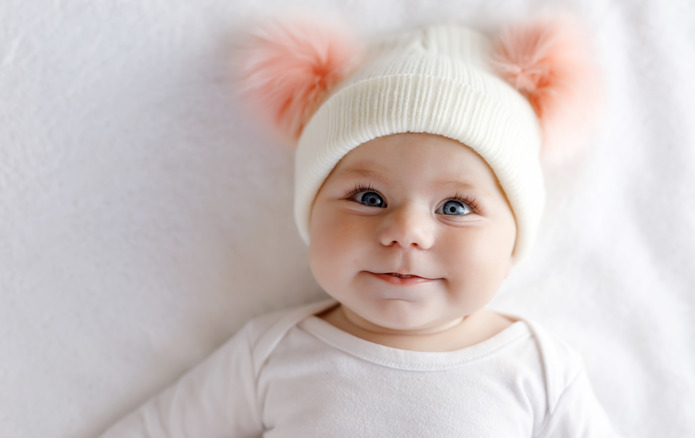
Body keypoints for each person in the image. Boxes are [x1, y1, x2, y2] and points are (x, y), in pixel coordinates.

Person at [101, 14, 616, 437]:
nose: (407, 231)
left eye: (455, 207)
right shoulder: (273, 354)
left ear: (513, 241)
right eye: (369, 197)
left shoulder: (538, 371)